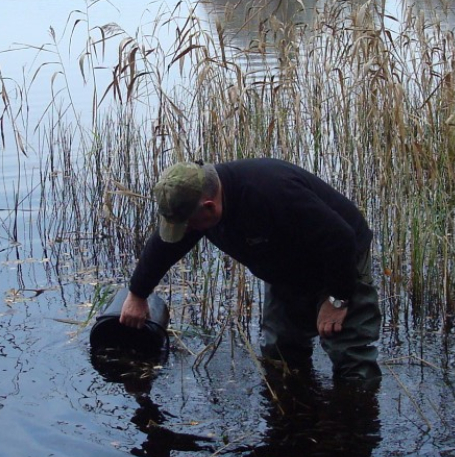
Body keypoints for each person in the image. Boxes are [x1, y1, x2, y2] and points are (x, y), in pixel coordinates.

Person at [118, 158, 382, 380]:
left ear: (209, 207)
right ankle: (296, 415)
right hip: (287, 265)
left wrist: (337, 299)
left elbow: (340, 238)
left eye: (189, 225)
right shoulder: (194, 204)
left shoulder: (271, 191)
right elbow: (165, 247)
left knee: (349, 356)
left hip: (339, 260)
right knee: (280, 354)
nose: (187, 232)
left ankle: (355, 417)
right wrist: (137, 294)